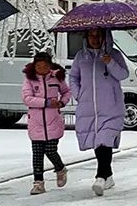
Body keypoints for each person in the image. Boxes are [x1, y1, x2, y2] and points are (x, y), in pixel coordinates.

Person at [69, 28, 129, 196]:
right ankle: (108, 175)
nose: (94, 39)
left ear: (105, 36)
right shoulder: (81, 57)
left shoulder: (114, 55)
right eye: (91, 35)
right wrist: (78, 93)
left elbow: (123, 74)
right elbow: (73, 77)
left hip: (111, 107)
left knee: (104, 140)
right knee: (97, 141)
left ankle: (100, 176)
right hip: (89, 108)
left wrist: (110, 62)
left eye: (98, 35)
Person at [21, 52, 71, 195]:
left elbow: (67, 92)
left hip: (53, 121)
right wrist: (46, 102)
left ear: (50, 66)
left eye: (45, 66)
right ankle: (38, 183)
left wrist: (62, 102)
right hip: (36, 122)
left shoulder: (56, 78)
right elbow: (27, 98)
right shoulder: (29, 79)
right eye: (39, 66)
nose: (42, 69)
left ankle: (60, 168)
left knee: (50, 150)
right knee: (37, 154)